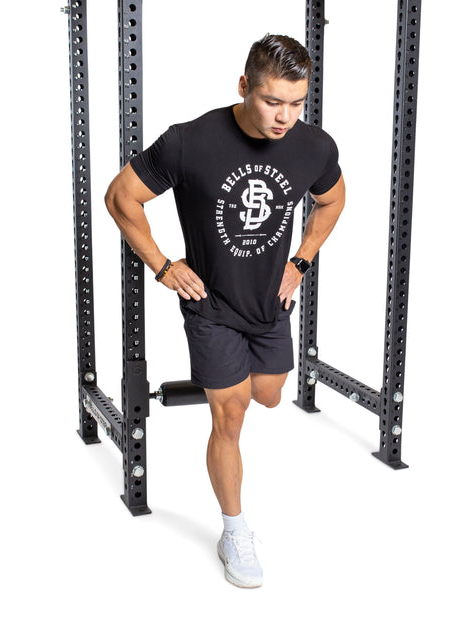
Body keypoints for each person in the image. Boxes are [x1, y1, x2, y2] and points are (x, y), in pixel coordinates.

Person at [105, 34, 345, 588]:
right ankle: (234, 529)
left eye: (296, 102)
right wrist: (164, 267)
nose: (285, 117)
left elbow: (333, 198)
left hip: (269, 305)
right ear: (244, 87)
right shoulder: (191, 142)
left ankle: (233, 382)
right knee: (230, 413)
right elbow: (122, 196)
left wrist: (302, 260)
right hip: (210, 305)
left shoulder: (314, 146)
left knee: (267, 394)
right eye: (272, 102)